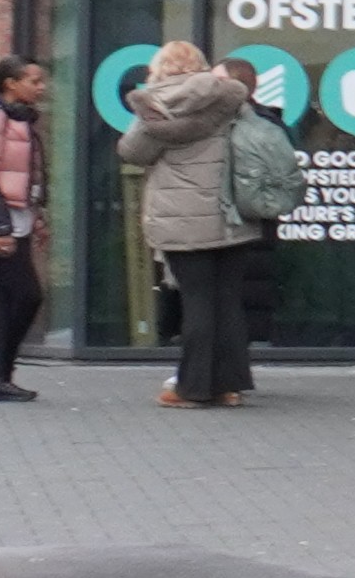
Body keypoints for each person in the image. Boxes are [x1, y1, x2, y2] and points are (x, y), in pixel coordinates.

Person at [116, 43, 276, 409]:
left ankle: (193, 388)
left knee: (197, 302)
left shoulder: (156, 106)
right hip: (233, 214)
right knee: (228, 301)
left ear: (159, 69)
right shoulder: (229, 98)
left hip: (182, 219)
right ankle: (229, 386)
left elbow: (132, 152)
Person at [0, 57, 47, 399]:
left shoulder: (20, 118)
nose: (41, 87)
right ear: (11, 84)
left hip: (15, 219)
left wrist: (37, 216)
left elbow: (29, 175)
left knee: (5, 299)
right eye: (34, 81)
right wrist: (1, 229)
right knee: (26, 295)